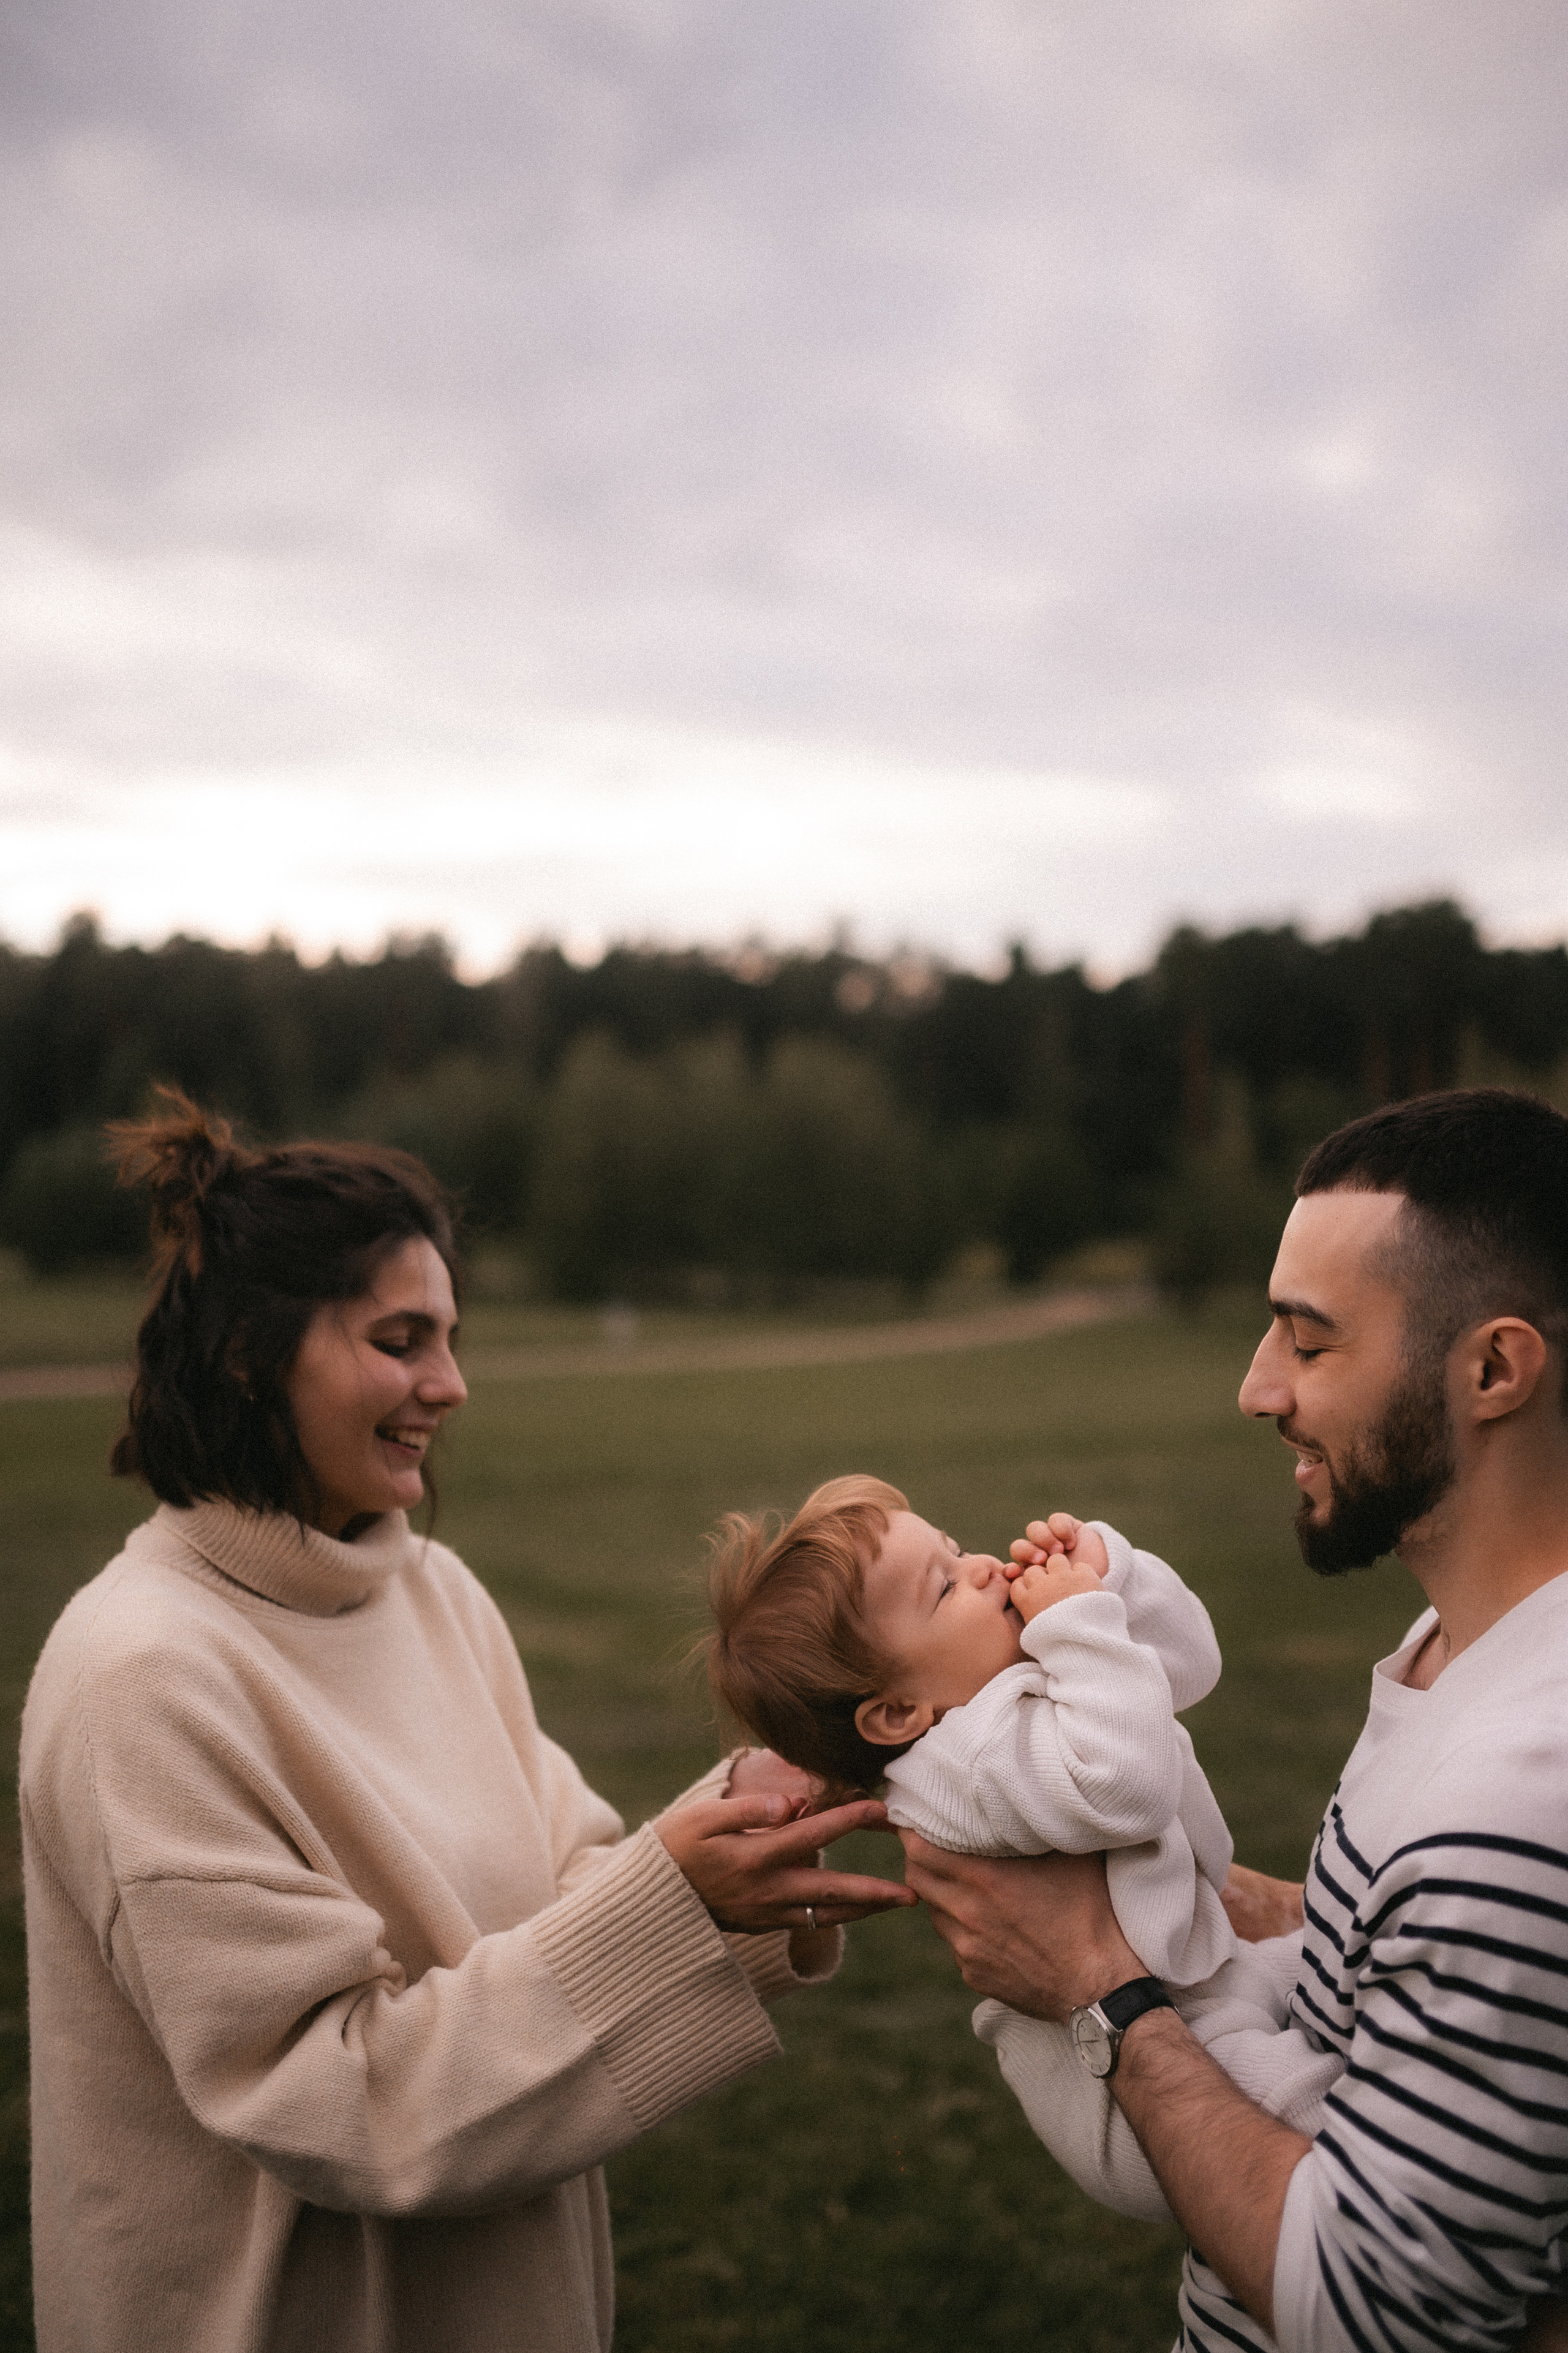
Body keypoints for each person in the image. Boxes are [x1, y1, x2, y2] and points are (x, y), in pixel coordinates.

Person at [20, 1096, 913, 2353]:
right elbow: (341, 2101)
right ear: (246, 1353)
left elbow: (570, 1885)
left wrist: (740, 1834)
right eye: (400, 1340)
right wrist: (676, 1897)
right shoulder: (141, 1678)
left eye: (449, 1337)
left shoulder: (433, 1591)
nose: (449, 1383)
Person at [899, 1088, 1568, 2352]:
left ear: (1490, 1369)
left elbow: (1367, 2316)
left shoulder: (1519, 1793)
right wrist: (1187, 1898)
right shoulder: (1462, 1655)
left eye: (1309, 1343)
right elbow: (1405, 1952)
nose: (1256, 1388)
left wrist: (1096, 1984)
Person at [703, 1475, 1340, 2214]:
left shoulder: (1000, 1686)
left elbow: (1190, 1663)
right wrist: (1078, 1621)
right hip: (1139, 2078)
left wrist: (1108, 1570)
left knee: (1357, 1966)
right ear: (899, 1711)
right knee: (1332, 2122)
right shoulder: (968, 1762)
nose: (980, 1566)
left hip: (1207, 1983)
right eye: (944, 1587)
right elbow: (1129, 1787)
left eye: (954, 1549)